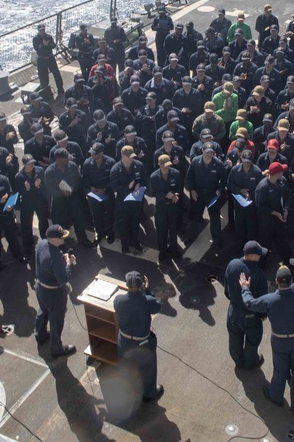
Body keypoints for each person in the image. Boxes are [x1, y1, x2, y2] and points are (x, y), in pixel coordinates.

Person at [240, 266, 294, 412]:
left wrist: (245, 288)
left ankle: (276, 397)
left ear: (276, 281)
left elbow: (250, 303)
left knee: (279, 369)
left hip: (279, 340)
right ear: (291, 281)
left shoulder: (269, 300)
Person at [115, 271, 163, 403]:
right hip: (142, 343)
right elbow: (157, 307)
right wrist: (147, 291)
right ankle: (149, 393)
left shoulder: (119, 300)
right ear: (141, 285)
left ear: (127, 285)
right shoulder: (147, 301)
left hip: (123, 341)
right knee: (148, 367)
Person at [34, 225, 78, 357]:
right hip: (53, 294)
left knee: (43, 311)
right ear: (53, 240)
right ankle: (56, 348)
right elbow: (63, 279)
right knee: (56, 319)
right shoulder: (55, 256)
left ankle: (40, 335)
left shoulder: (42, 244)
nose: (63, 238)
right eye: (60, 237)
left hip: (40, 287)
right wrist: (69, 264)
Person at [224, 241, 269, 370]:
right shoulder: (258, 275)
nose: (261, 257)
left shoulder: (232, 265)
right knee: (253, 341)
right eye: (259, 254)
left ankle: (238, 361)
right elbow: (263, 300)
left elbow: (227, 290)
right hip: (251, 316)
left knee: (234, 338)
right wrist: (263, 315)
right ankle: (250, 362)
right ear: (252, 256)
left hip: (233, 312)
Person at [187, 142, 228, 248]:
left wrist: (220, 189)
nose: (209, 154)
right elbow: (189, 177)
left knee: (214, 218)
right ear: (202, 151)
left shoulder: (219, 164)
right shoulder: (195, 162)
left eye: (211, 152)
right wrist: (192, 190)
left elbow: (224, 179)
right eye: (207, 152)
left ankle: (217, 240)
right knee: (196, 216)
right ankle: (192, 237)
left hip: (212, 194)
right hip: (198, 193)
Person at [110, 145, 147, 254]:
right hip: (123, 202)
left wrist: (139, 189)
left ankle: (135, 242)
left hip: (136, 201)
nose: (132, 159)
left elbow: (144, 181)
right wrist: (128, 188)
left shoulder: (139, 166)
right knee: (124, 225)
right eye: (129, 157)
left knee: (135, 223)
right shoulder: (115, 169)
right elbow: (114, 187)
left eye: (133, 156)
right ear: (122, 155)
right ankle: (125, 245)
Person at [255, 162, 291, 265]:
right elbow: (260, 205)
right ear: (276, 174)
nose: (283, 173)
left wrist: (286, 208)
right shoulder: (262, 187)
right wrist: (274, 213)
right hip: (266, 218)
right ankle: (262, 263)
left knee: (281, 238)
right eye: (281, 172)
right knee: (265, 240)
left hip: (280, 216)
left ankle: (287, 262)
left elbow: (288, 195)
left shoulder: (282, 181)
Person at [149, 154, 182, 260]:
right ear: (159, 164)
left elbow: (178, 187)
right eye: (164, 166)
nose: (167, 168)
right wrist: (164, 196)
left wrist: (176, 194)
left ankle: (174, 249)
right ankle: (162, 251)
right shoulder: (154, 177)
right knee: (161, 231)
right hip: (161, 208)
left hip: (173, 207)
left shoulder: (175, 174)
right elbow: (152, 192)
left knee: (173, 230)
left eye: (168, 165)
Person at [34, 23, 66, 96]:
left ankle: (60, 88)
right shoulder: (36, 39)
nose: (42, 31)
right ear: (38, 31)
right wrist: (43, 45)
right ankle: (46, 92)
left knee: (56, 73)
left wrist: (48, 44)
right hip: (42, 60)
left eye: (43, 30)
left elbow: (53, 45)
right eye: (41, 30)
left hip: (50, 58)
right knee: (43, 76)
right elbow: (37, 48)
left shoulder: (48, 37)